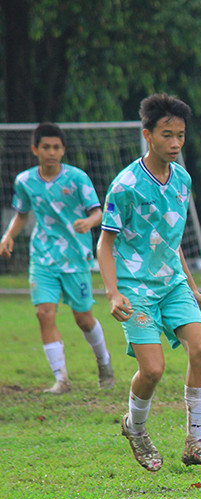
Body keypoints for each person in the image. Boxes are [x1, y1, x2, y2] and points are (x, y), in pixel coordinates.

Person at [96, 93, 201, 472]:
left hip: (173, 285)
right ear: (147, 134)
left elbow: (171, 240)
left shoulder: (182, 178)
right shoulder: (125, 186)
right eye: (167, 135)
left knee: (200, 349)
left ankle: (195, 442)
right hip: (135, 290)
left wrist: (194, 287)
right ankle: (134, 428)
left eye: (181, 136)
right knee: (152, 370)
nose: (175, 143)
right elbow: (105, 244)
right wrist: (113, 291)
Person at [0, 123, 115, 394]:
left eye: (56, 147)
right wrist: (8, 236)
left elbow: (98, 213)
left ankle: (104, 363)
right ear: (35, 150)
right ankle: (61, 379)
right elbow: (22, 213)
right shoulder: (25, 181)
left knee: (84, 319)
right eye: (45, 147)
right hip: (43, 258)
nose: (51, 152)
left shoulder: (77, 178)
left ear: (63, 150)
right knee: (44, 313)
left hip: (75, 258)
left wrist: (88, 222)